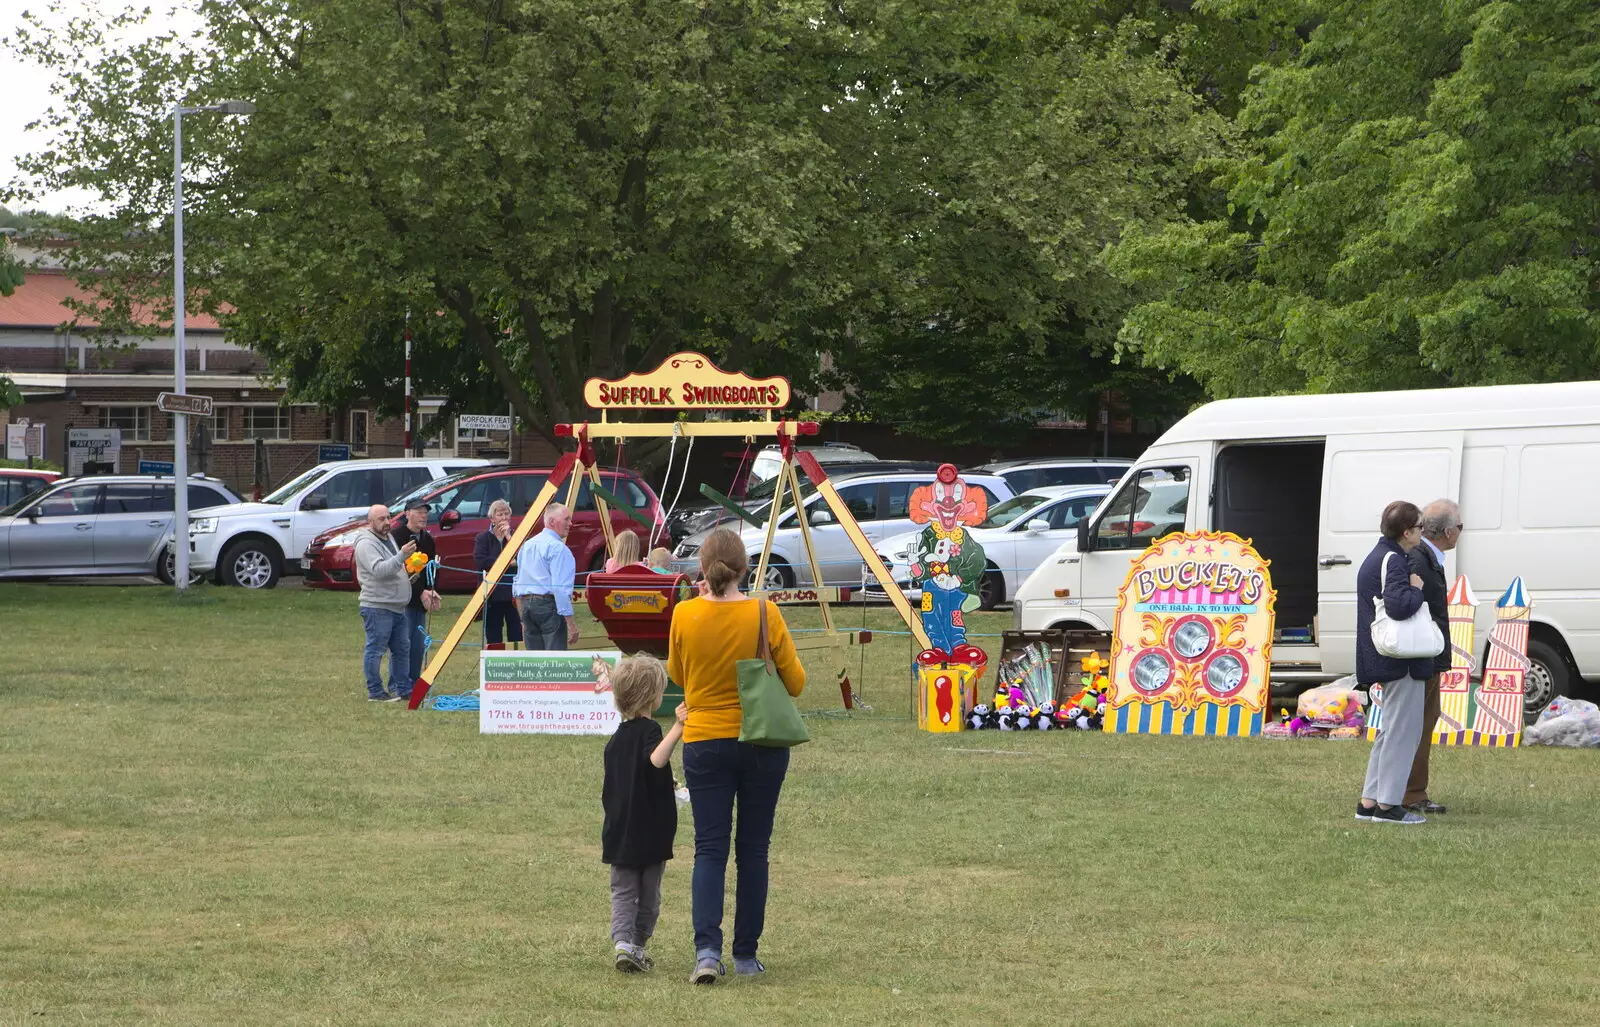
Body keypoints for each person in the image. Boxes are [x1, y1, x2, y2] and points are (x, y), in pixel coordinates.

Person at [666, 528, 806, 984]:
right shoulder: (764, 612)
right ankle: (745, 954)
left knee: (709, 849)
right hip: (761, 740)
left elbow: (677, 673)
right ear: (743, 568)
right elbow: (798, 682)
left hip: (705, 740)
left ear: (702, 571)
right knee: (753, 851)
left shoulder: (684, 614)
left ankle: (707, 952)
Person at [602, 655, 686, 973]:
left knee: (623, 891)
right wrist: (678, 728)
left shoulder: (614, 742)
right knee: (649, 895)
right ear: (652, 695)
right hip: (650, 831)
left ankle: (623, 945)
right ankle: (637, 944)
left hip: (619, 832)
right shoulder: (652, 731)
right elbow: (654, 760)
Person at [1355, 500, 1436, 825]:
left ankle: (1369, 801)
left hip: (1382, 657)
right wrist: (1418, 589)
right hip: (1400, 660)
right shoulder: (1395, 561)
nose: (1422, 532)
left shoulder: (1377, 556)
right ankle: (1388, 806)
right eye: (1419, 527)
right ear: (1406, 532)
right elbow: (1400, 607)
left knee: (1390, 731)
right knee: (1403, 732)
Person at [1405, 498, 1461, 815]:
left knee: (1427, 719)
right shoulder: (1420, 559)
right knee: (1420, 723)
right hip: (1421, 655)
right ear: (1450, 532)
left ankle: (1412, 790)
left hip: (1427, 653)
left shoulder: (1427, 556)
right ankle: (1411, 792)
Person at [352, 503, 417, 702]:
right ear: (370, 522)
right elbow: (379, 570)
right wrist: (402, 555)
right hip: (377, 607)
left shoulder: (387, 537)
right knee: (376, 649)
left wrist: (409, 578)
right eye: (381, 519)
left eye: (388, 517)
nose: (387, 522)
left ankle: (402, 689)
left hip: (396, 606)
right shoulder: (365, 544)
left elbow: (394, 567)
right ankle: (376, 692)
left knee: (401, 650)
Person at [512, 503, 580, 650]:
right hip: (548, 606)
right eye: (566, 519)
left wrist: (522, 619)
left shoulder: (527, 545)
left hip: (526, 606)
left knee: (535, 662)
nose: (571, 523)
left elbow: (517, 584)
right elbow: (560, 588)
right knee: (554, 664)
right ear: (552, 522)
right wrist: (571, 623)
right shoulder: (558, 548)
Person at [390, 498, 442, 681]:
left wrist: (432, 589)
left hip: (420, 601)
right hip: (403, 599)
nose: (424, 515)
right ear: (407, 514)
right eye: (419, 511)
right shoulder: (397, 537)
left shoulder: (427, 539)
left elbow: (431, 569)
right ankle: (398, 683)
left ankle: (413, 681)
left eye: (426, 512)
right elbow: (400, 570)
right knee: (403, 644)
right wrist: (421, 591)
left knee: (418, 645)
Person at [474, 499, 523, 650]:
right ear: (492, 519)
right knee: (494, 635)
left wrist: (508, 537)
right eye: (499, 514)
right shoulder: (482, 538)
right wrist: (509, 562)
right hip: (492, 594)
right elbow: (482, 562)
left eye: (506, 514)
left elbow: (524, 558)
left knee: (516, 634)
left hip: (514, 594)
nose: (503, 517)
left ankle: (516, 665)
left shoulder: (517, 536)